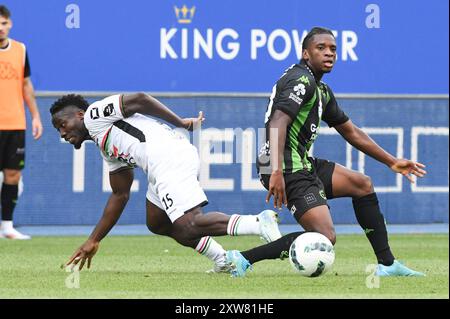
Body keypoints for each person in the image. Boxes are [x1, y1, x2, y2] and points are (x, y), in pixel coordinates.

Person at [225, 27, 427, 277]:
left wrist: (391, 161)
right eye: (321, 48)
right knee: (324, 236)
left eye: (333, 49)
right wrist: (275, 170)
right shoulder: (302, 80)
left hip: (299, 163)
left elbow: (351, 132)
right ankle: (242, 258)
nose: (328, 53)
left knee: (361, 184)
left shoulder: (321, 91)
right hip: (286, 167)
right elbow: (277, 122)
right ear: (305, 53)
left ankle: (387, 265)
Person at [50, 93, 282, 272]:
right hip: (161, 166)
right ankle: (223, 260)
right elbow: (120, 194)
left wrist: (179, 121)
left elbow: (140, 99)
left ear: (79, 114)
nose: (61, 133)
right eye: (58, 129)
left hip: (168, 158)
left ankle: (257, 223)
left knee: (189, 223)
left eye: (62, 124)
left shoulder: (94, 115)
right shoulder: (105, 146)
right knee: (158, 222)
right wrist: (94, 240)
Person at [0, 5, 43, 239]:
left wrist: (35, 116)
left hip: (15, 124)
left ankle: (7, 227)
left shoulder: (20, 50)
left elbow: (26, 86)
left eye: (4, 23)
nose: (1, 28)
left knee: (13, 175)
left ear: (10, 24)